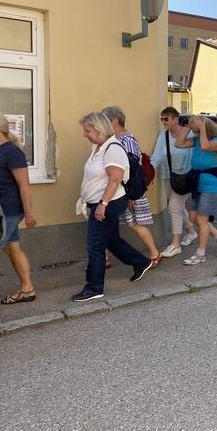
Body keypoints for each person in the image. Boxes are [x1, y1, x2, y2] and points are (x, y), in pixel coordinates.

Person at [72, 112, 155, 302]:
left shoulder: (113, 149)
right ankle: (141, 262)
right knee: (111, 240)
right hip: (102, 202)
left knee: (95, 244)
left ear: (99, 129)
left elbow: (115, 178)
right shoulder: (99, 147)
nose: (84, 134)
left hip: (108, 203)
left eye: (87, 130)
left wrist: (102, 204)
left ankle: (94, 287)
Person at [0, 110, 38, 359]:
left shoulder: (12, 152)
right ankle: (27, 288)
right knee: (12, 247)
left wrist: (29, 213)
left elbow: (24, 185)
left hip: (7, 212)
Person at [102, 106, 160, 264]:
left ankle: (154, 253)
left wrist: (131, 196)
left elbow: (132, 169)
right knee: (107, 223)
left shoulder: (126, 141)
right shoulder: (114, 139)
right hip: (117, 190)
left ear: (114, 121)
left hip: (126, 192)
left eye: (105, 120)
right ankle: (103, 257)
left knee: (133, 224)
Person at [175, 115, 217, 265]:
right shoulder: (197, 139)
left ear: (206, 129)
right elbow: (178, 144)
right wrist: (188, 128)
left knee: (202, 220)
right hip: (197, 184)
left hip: (212, 186)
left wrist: (203, 128)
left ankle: (200, 254)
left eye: (197, 131)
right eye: (195, 131)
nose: (196, 134)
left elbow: (205, 146)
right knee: (193, 217)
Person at [149, 106, 198, 259]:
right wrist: (148, 171)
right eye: (162, 119)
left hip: (186, 177)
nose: (163, 122)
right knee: (176, 207)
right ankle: (191, 232)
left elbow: (195, 155)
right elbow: (157, 156)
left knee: (174, 207)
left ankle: (176, 244)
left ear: (175, 119)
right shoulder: (163, 136)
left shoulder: (189, 134)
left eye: (166, 119)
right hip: (169, 176)